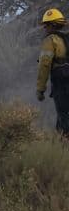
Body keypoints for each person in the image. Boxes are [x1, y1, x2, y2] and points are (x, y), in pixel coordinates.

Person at [36, 8, 69, 138]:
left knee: (63, 115)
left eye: (46, 25)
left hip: (61, 83)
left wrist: (40, 89)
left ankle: (64, 144)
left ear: (53, 25)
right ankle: (59, 142)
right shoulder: (67, 38)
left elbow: (44, 65)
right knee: (62, 119)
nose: (44, 28)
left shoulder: (50, 40)